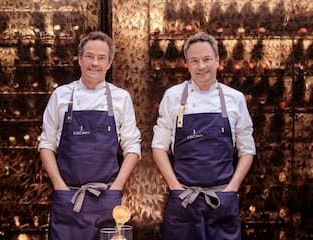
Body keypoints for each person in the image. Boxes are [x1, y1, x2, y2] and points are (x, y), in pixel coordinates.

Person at [151, 31, 256, 240]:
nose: (201, 66)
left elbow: (247, 150)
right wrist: (176, 188)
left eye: (207, 59)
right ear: (187, 64)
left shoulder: (235, 99)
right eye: (194, 61)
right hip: (184, 201)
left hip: (222, 201)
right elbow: (158, 147)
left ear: (217, 60)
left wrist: (231, 189)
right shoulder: (172, 97)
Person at [39, 31, 141, 240]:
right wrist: (60, 187)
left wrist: (116, 188)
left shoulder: (121, 98)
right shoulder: (61, 95)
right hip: (69, 199)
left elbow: (133, 148)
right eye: (89, 56)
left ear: (110, 63)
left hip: (106, 201)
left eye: (101, 58)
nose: (95, 63)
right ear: (79, 59)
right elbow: (46, 144)